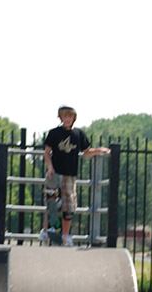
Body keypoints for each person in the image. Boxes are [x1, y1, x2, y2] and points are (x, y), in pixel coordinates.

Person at [39, 105, 110, 246]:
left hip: (70, 175)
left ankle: (65, 236)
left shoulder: (79, 134)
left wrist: (98, 150)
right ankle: (47, 230)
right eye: (64, 116)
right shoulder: (54, 133)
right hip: (55, 172)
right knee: (51, 202)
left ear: (73, 118)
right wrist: (50, 167)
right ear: (60, 118)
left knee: (69, 206)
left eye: (70, 116)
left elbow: (86, 152)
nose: (67, 119)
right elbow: (46, 152)